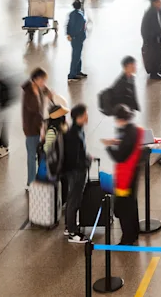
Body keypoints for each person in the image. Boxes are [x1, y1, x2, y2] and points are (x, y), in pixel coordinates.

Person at [103, 105, 144, 245]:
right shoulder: (134, 130)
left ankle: (127, 238)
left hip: (125, 176)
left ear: (120, 119)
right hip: (134, 172)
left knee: (124, 207)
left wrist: (109, 147)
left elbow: (120, 156)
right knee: (132, 203)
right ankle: (134, 232)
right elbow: (128, 145)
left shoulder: (127, 134)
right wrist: (118, 143)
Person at [62, 104, 91, 243]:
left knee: (73, 198)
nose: (87, 116)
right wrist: (85, 162)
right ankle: (73, 232)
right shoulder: (73, 134)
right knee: (74, 199)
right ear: (79, 117)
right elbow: (73, 157)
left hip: (76, 170)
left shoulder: (78, 130)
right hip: (76, 172)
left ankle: (69, 226)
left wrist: (86, 157)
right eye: (85, 114)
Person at [22, 67, 53, 185]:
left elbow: (45, 90)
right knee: (31, 156)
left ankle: (38, 178)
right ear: (36, 79)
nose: (44, 83)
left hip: (37, 126)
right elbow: (34, 109)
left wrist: (48, 93)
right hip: (31, 129)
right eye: (43, 80)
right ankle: (30, 182)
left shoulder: (37, 88)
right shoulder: (29, 92)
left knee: (38, 153)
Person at [141, 0, 161, 80]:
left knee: (159, 52)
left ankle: (158, 70)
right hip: (150, 38)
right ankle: (154, 73)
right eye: (159, 2)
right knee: (156, 54)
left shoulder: (153, 11)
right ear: (154, 3)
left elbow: (158, 25)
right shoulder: (152, 12)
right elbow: (156, 26)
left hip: (151, 37)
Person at [66, 0, 87, 82]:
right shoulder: (80, 15)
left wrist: (69, 34)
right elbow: (80, 27)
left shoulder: (71, 14)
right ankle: (72, 74)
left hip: (73, 38)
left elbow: (68, 24)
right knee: (76, 57)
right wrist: (75, 35)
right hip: (78, 38)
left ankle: (77, 71)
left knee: (77, 55)